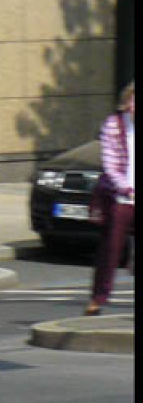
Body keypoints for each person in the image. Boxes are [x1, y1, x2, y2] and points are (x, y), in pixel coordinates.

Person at [87, 80, 134, 315]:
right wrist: (126, 188)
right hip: (120, 197)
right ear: (127, 103)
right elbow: (111, 165)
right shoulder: (114, 125)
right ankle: (98, 298)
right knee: (110, 249)